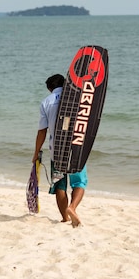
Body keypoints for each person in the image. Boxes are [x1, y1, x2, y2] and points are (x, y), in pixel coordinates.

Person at [32, 74, 88, 227]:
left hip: (56, 151)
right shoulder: (76, 98)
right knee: (79, 182)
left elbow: (42, 131)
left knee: (59, 184)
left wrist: (36, 152)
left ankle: (65, 218)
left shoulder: (46, 102)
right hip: (76, 148)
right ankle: (72, 207)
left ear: (50, 88)